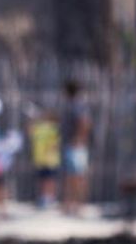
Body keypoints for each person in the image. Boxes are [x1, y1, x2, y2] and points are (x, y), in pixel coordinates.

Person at [61, 80, 92, 216]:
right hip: (73, 144)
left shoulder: (78, 106)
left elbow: (84, 123)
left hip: (76, 146)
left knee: (78, 177)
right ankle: (70, 205)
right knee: (71, 176)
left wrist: (79, 140)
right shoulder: (73, 105)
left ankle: (79, 206)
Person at [28, 105, 61, 210]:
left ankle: (50, 199)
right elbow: (31, 132)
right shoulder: (41, 127)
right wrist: (32, 119)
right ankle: (44, 198)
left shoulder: (54, 128)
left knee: (50, 180)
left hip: (50, 160)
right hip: (41, 159)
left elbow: (56, 144)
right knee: (43, 180)